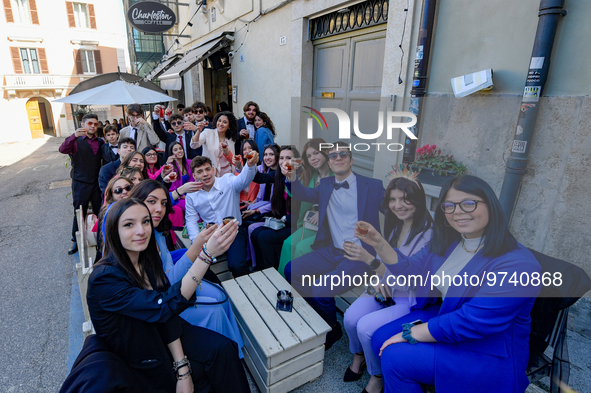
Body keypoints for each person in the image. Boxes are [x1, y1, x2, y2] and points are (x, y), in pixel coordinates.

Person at [354, 175, 542, 393]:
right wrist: (379, 243)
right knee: (378, 339)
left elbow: (473, 321)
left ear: (490, 205)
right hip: (446, 316)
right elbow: (410, 271)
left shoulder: (519, 264)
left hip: (487, 348)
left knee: (395, 356)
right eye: (449, 206)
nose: (458, 211)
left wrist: (411, 333)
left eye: (469, 203)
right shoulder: (450, 242)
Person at [86, 198, 249, 392]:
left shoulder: (145, 258)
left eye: (145, 221)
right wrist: (205, 255)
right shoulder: (104, 278)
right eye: (129, 224)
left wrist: (182, 365)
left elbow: (167, 316)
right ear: (113, 230)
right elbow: (162, 306)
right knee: (203, 378)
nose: (141, 231)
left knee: (224, 349)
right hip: (138, 359)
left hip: (159, 330)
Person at [284, 141, 385, 349]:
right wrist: (291, 178)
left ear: (351, 159)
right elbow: (303, 194)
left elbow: (394, 210)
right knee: (291, 270)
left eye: (343, 154)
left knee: (320, 289)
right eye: (333, 156)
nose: (338, 158)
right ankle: (320, 319)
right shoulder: (327, 184)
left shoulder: (372, 186)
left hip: (360, 255)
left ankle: (331, 328)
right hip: (332, 250)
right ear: (329, 163)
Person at [342, 169, 433, 393]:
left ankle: (377, 375)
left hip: (408, 297)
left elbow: (413, 278)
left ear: (418, 200)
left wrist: (371, 260)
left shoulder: (429, 235)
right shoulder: (394, 226)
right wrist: (376, 279)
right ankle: (360, 356)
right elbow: (385, 266)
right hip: (385, 289)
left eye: (405, 198)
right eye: (392, 199)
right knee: (350, 317)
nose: (398, 205)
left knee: (365, 327)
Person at [129, 180, 245, 357]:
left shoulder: (158, 233)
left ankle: (235, 349)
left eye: (163, 203)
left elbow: (168, 271)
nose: (159, 209)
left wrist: (200, 242)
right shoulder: (137, 241)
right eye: (151, 201)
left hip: (170, 287)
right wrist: (203, 250)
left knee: (219, 293)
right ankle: (223, 354)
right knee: (216, 305)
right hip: (159, 305)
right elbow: (167, 284)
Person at [185, 153, 259, 277]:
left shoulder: (227, 180)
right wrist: (196, 242)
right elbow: (191, 220)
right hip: (211, 235)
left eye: (208, 169)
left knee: (237, 265)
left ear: (213, 170)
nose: (205, 174)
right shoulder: (191, 195)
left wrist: (250, 165)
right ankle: (220, 291)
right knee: (197, 265)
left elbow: (244, 179)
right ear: (194, 176)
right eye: (200, 171)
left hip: (234, 231)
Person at [278, 138, 332, 276]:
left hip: (326, 229)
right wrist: (291, 176)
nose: (312, 158)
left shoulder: (336, 175)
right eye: (309, 156)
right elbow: (293, 193)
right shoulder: (309, 174)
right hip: (307, 225)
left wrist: (323, 212)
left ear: (325, 152)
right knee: (287, 245)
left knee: (300, 248)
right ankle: (282, 283)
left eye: (316, 153)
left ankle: (296, 285)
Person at [59, 113, 103, 255]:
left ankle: (101, 239)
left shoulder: (100, 142)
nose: (93, 126)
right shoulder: (75, 141)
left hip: (96, 183)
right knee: (79, 212)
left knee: (99, 211)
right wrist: (74, 136)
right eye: (90, 123)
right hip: (81, 183)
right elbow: (62, 149)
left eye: (95, 124)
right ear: (83, 124)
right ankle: (75, 241)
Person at [250, 146, 300, 270]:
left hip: (296, 224)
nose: (284, 161)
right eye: (282, 158)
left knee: (264, 237)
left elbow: (300, 211)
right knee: (256, 233)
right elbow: (260, 178)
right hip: (283, 220)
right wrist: (250, 163)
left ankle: (272, 272)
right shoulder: (278, 175)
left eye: (289, 158)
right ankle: (262, 269)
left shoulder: (300, 178)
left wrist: (284, 219)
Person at [190, 111, 238, 176]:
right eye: (219, 121)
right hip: (211, 174)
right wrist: (198, 131)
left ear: (229, 126)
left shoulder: (231, 139)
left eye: (224, 122)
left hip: (228, 174)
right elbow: (194, 145)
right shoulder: (208, 133)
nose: (220, 124)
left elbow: (231, 158)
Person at [163, 141, 194, 213]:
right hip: (178, 196)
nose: (179, 151)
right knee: (191, 206)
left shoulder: (190, 162)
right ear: (172, 153)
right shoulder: (170, 167)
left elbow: (193, 180)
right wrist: (184, 196)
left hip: (190, 193)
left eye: (180, 148)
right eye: (175, 150)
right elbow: (172, 188)